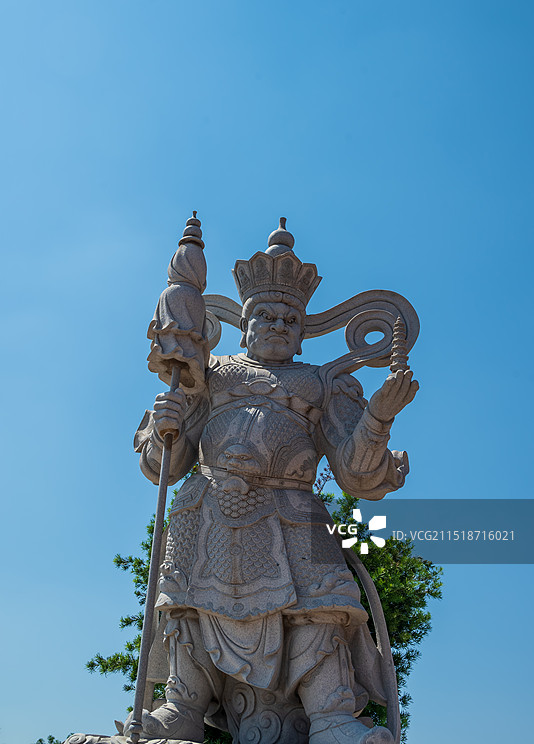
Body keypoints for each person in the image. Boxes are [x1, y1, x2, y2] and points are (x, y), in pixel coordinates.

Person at [125, 221, 418, 744]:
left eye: (290, 319)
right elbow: (165, 465)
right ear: (243, 324)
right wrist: (167, 427)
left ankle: (332, 715)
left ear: (303, 331)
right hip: (208, 507)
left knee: (323, 603)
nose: (279, 324)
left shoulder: (324, 383)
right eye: (266, 315)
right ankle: (182, 706)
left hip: (294, 511)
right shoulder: (208, 375)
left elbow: (357, 475)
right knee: (187, 601)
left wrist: (377, 416)